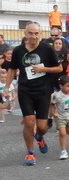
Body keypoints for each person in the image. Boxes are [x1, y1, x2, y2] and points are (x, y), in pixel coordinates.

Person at [5, 22, 63, 165]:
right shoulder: (18, 51)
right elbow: (12, 69)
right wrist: (7, 87)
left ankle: (39, 137)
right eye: (30, 33)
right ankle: (30, 153)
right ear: (25, 34)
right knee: (29, 122)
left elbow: (59, 68)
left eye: (36, 33)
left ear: (40, 34)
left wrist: (44, 69)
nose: (33, 36)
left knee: (42, 126)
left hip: (43, 91)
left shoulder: (47, 49)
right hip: (25, 91)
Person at [50, 74, 69, 160]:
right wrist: (53, 113)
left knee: (68, 132)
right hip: (60, 117)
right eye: (68, 86)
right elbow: (52, 104)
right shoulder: (57, 96)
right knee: (63, 133)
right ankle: (63, 152)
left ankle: (66, 133)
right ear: (61, 86)